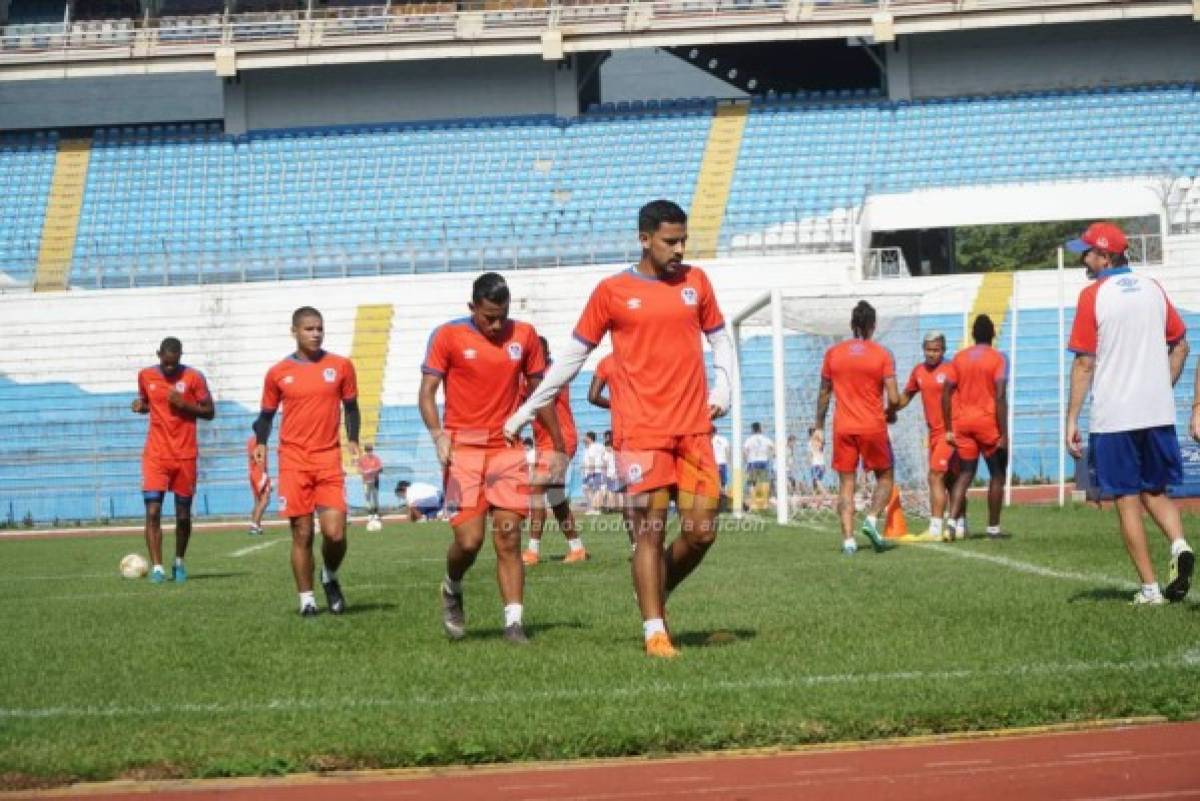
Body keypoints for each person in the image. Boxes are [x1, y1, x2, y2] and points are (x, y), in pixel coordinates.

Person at [505, 199, 736, 658]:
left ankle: (654, 588)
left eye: (684, 239)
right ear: (644, 238)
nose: (680, 249)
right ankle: (655, 631)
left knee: (702, 531)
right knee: (648, 531)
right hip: (641, 434)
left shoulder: (697, 282)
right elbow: (573, 354)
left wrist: (724, 388)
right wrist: (531, 406)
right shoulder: (611, 291)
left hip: (693, 429)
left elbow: (719, 338)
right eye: (671, 241)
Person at [420, 272, 565, 644]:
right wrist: (438, 435)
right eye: (488, 317)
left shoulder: (525, 336)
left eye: (502, 315)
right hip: (462, 449)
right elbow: (427, 392)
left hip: (506, 446)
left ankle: (514, 623)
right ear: (472, 308)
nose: (497, 324)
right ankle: (452, 587)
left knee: (508, 536)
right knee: (469, 541)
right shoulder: (447, 336)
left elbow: (539, 394)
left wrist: (557, 445)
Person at [1065, 222, 1193, 605]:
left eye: (1088, 252)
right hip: (1156, 410)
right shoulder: (1153, 289)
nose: (1084, 258)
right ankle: (1179, 544)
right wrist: (1161, 385)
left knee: (1125, 498)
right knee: (1155, 490)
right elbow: (1181, 345)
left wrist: (1071, 418)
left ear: (1105, 255)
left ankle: (1150, 588)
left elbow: (1085, 362)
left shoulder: (1093, 295)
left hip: (1115, 414)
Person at [253, 306, 360, 617]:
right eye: (309, 329)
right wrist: (260, 442)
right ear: (294, 332)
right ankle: (307, 600)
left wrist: (352, 438)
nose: (315, 334)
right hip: (294, 460)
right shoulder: (277, 373)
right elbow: (265, 416)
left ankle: (329, 574)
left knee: (335, 533)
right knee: (302, 533)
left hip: (328, 458)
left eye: (319, 328)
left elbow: (351, 407)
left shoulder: (340, 366)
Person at [811, 301, 899, 555]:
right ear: (873, 326)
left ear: (851, 325)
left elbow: (824, 393)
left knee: (846, 484)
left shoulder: (833, 353)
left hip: (843, 428)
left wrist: (818, 426)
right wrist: (890, 413)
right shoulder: (882, 354)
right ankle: (871, 520)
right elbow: (893, 399)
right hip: (872, 425)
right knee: (885, 476)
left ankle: (848, 541)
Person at [133, 337, 214, 583]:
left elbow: (210, 412)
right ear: (159, 354)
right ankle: (157, 568)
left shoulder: (193, 378)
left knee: (182, 515)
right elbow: (148, 403)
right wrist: (140, 406)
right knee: (153, 511)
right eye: (165, 363)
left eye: (174, 363)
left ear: (180, 356)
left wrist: (185, 404)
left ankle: (179, 561)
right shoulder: (145, 376)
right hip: (156, 455)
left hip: (185, 456)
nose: (169, 368)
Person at [942, 315, 1008, 542]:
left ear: (973, 335)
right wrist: (1004, 433)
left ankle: (950, 523)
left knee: (965, 474)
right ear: (992, 334)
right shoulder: (998, 358)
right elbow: (1000, 395)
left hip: (963, 424)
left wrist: (949, 428)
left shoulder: (958, 358)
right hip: (987, 424)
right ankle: (993, 529)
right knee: (997, 475)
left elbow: (946, 392)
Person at [523, 337, 586, 567]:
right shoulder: (535, 376)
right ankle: (577, 548)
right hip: (547, 442)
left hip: (558, 441)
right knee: (555, 498)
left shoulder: (550, 375)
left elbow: (539, 402)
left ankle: (532, 551)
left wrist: (559, 445)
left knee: (536, 490)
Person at [895, 331, 960, 541]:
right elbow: (907, 396)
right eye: (929, 350)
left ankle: (935, 528)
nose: (932, 354)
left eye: (937, 350)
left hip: (951, 432)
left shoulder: (951, 369)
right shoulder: (918, 371)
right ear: (923, 349)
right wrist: (891, 409)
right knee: (949, 479)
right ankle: (960, 524)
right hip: (933, 433)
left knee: (934, 476)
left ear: (944, 350)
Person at [743, 422, 774, 512]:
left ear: (752, 429)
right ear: (760, 429)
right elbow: (773, 448)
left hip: (752, 462)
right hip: (763, 461)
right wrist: (769, 455)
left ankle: (754, 503)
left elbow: (745, 450)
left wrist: (746, 460)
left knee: (752, 483)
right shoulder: (765, 439)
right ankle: (764, 504)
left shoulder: (749, 439)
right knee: (763, 482)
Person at [247, 433, 271, 536]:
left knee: (258, 501)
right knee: (265, 500)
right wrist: (264, 475)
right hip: (259, 472)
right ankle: (254, 525)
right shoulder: (259, 441)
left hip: (253, 472)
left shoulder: (251, 440)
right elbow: (257, 456)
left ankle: (256, 526)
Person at [357, 443, 383, 525]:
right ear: (365, 451)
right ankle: (369, 514)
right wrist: (363, 472)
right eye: (368, 450)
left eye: (371, 450)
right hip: (366, 481)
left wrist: (374, 470)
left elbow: (381, 468)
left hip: (375, 480)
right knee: (367, 497)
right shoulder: (362, 459)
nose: (369, 452)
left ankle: (376, 513)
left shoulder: (376, 458)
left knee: (375, 497)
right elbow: (359, 469)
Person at [581, 431, 605, 516]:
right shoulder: (599, 446)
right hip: (596, 471)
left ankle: (594, 509)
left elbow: (591, 459)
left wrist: (590, 472)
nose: (584, 438)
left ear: (589, 438)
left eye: (585, 437)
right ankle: (593, 508)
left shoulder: (592, 447)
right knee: (592, 490)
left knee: (590, 490)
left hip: (592, 472)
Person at [807, 426, 827, 496]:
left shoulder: (810, 443)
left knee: (817, 481)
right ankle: (814, 496)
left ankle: (826, 495)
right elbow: (822, 452)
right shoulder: (820, 443)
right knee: (814, 481)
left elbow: (810, 454)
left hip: (815, 464)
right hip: (822, 464)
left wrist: (809, 462)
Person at [711, 430, 730, 495]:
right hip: (722, 462)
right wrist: (727, 461)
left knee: (713, 480)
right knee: (723, 481)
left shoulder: (710, 440)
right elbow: (727, 451)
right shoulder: (724, 439)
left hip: (713, 463)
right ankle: (724, 493)